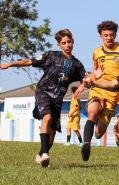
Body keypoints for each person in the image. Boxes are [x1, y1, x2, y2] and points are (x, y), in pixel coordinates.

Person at [0, 29, 86, 167]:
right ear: (59, 45)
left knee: (52, 134)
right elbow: (29, 61)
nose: (67, 45)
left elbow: (86, 80)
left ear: (73, 42)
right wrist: (10, 64)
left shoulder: (77, 64)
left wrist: (94, 78)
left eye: (69, 42)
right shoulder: (51, 56)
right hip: (43, 92)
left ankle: (41, 154)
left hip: (57, 100)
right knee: (47, 118)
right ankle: (45, 154)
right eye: (63, 43)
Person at [78, 20, 119, 161]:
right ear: (100, 36)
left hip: (112, 93)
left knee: (99, 133)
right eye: (105, 35)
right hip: (97, 89)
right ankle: (86, 144)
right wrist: (85, 83)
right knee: (92, 112)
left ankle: (104, 119)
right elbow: (95, 73)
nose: (109, 38)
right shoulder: (96, 52)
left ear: (115, 35)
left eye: (111, 35)